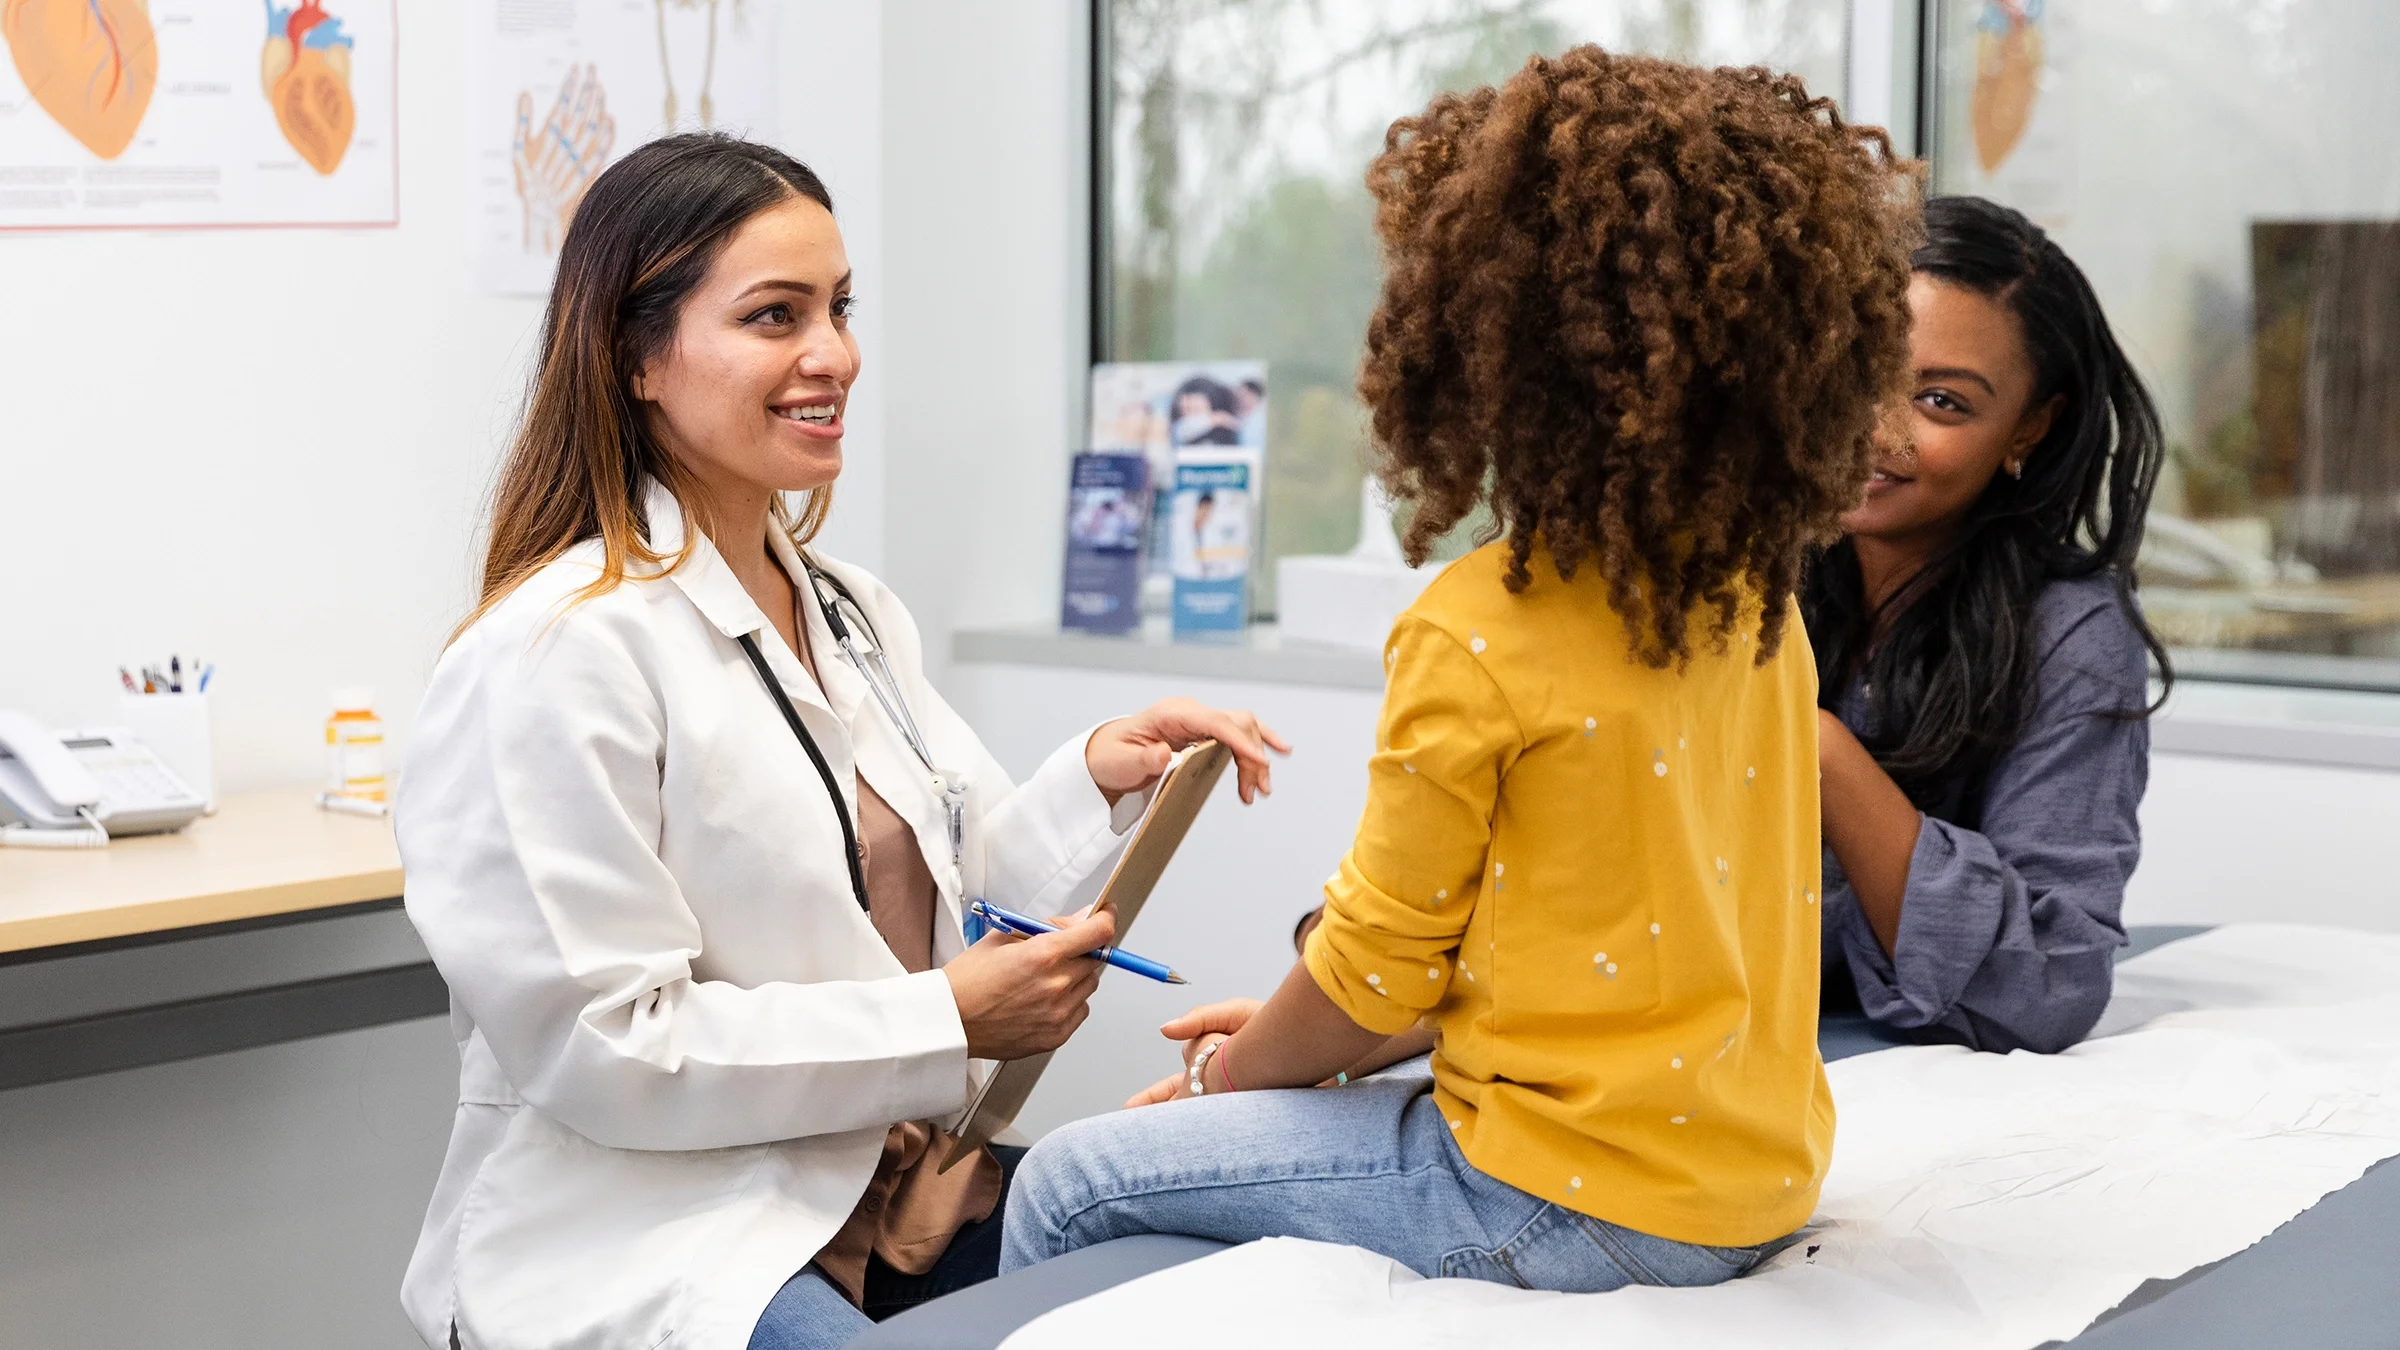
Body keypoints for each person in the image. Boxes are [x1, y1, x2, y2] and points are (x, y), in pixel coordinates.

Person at [1001, 49, 1916, 1293]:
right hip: (1750, 1184)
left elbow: (1376, 964)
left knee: (1069, 1176)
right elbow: (1549, 959)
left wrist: (1235, 1074)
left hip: (1553, 1195)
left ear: (1481, 342)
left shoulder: (1480, 626)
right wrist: (1304, 1046)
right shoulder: (1754, 599)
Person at [394, 134, 1286, 1350]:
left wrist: (1096, 777)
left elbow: (954, 900)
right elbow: (607, 1048)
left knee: (1219, 1284)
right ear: (635, 355)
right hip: (653, 1239)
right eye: (775, 316)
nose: (835, 356)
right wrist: (947, 1022)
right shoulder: (557, 653)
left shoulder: (850, 613)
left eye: (839, 308)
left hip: (877, 1190)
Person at [1806, 195, 2170, 1054]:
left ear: (2030, 427)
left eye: (1940, 401)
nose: (1876, 430)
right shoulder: (1730, 574)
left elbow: (2047, 981)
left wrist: (1825, 757)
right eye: (1855, 371)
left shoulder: (2070, 634)